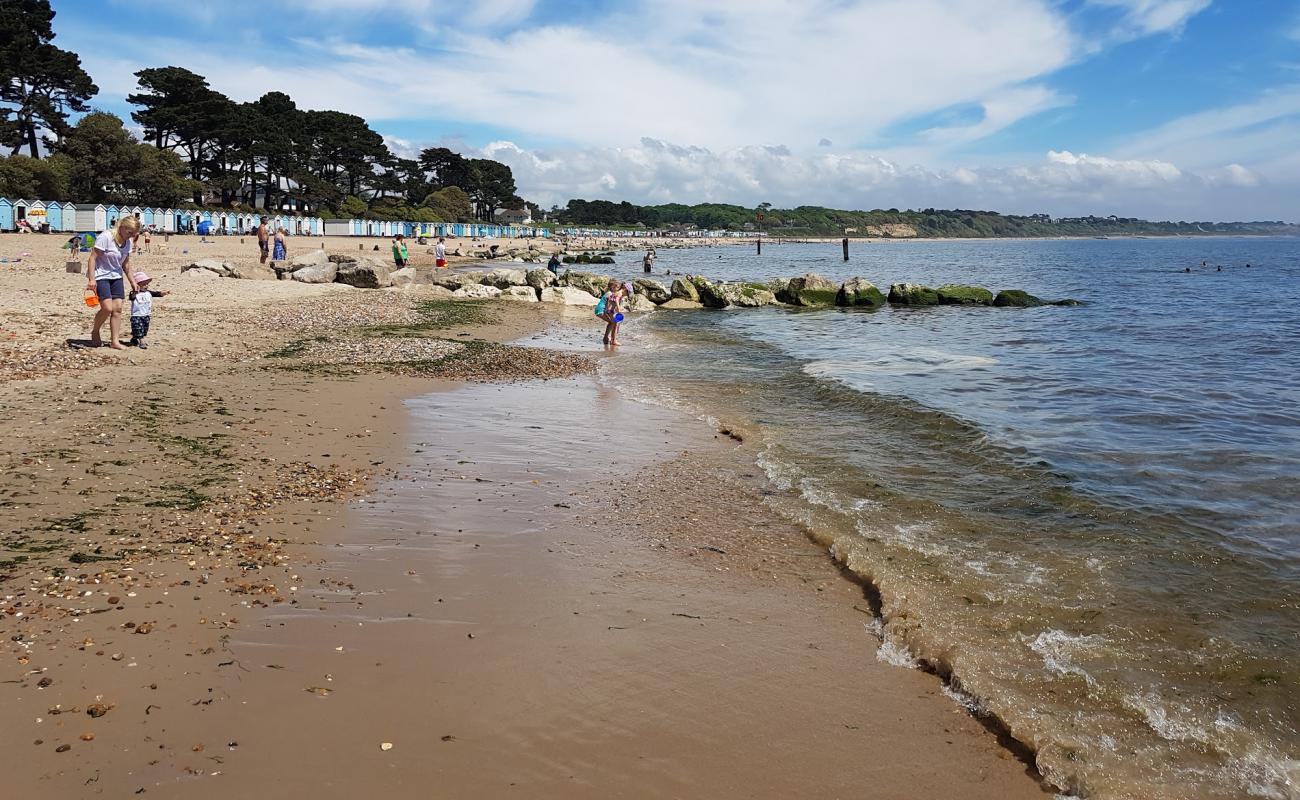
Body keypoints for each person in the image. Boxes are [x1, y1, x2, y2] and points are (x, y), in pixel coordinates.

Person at [86, 216, 141, 350]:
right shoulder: (106, 237)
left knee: (117, 309)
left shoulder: (127, 242)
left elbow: (126, 264)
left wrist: (133, 281)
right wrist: (92, 279)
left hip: (116, 276)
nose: (131, 236)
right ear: (122, 228)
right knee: (107, 308)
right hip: (101, 275)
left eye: (134, 234)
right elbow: (92, 258)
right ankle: (95, 331)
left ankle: (114, 341)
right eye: (130, 233)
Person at [128, 272, 168, 349]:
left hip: (146, 314)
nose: (146, 286)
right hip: (137, 315)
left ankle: (134, 339)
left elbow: (157, 294)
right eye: (143, 284)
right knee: (138, 327)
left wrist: (163, 293)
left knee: (144, 328)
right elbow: (132, 297)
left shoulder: (148, 292)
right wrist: (135, 291)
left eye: (147, 284)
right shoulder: (134, 293)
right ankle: (142, 341)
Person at [597, 278, 628, 346]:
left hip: (600, 310)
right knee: (614, 323)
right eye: (617, 287)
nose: (618, 289)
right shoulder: (610, 293)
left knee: (611, 323)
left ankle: (606, 338)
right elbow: (609, 304)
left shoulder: (611, 293)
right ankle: (612, 340)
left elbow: (612, 303)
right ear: (612, 287)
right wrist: (609, 311)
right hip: (601, 310)